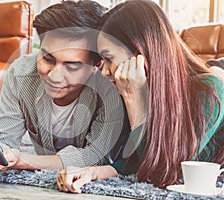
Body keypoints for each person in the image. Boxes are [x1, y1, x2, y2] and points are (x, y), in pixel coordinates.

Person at [57, 0, 224, 192]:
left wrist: (135, 102)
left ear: (141, 53)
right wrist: (93, 172)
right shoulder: (141, 90)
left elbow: (162, 173)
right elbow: (136, 160)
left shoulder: (210, 90)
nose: (104, 71)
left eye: (109, 59)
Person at [0, 0, 129, 178]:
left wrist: (23, 161)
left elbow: (96, 156)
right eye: (48, 58)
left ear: (96, 65)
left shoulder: (110, 86)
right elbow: (3, 140)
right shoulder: (20, 74)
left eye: (71, 66)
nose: (54, 76)